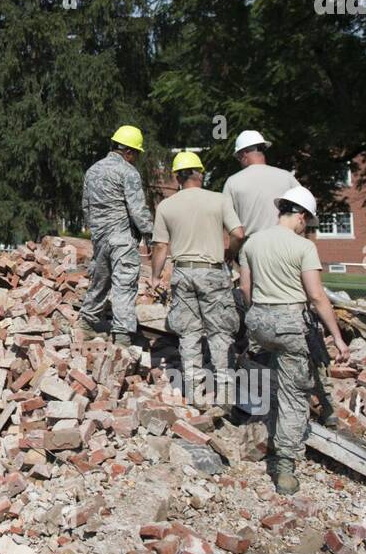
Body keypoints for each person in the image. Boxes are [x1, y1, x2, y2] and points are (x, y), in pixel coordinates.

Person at [238, 185, 349, 494]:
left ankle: (320, 413)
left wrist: (259, 316)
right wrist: (337, 338)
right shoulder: (303, 247)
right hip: (290, 323)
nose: (306, 227)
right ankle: (284, 466)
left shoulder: (252, 242)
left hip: (258, 319)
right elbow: (316, 296)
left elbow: (245, 289)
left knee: (278, 370)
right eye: (307, 221)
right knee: (292, 394)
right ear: (300, 216)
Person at [149, 151, 246, 408]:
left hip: (182, 272)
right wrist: (230, 253)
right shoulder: (219, 200)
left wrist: (155, 276)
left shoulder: (166, 206)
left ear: (176, 177)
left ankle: (194, 394)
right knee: (220, 332)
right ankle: (225, 396)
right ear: (200, 173)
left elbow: (160, 246)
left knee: (189, 333)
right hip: (212, 271)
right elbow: (238, 233)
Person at [77, 125, 153, 346]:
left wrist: (96, 234)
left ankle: (87, 324)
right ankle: (121, 337)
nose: (135, 159)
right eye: (136, 154)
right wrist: (151, 236)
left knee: (100, 280)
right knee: (124, 284)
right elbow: (138, 210)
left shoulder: (92, 170)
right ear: (129, 151)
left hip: (100, 238)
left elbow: (86, 207)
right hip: (122, 239)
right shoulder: (128, 172)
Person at [223, 130, 299, 237]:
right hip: (284, 243)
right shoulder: (287, 177)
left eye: (238, 158)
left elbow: (226, 218)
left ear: (243, 155)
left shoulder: (232, 182)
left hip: (251, 246)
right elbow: (304, 208)